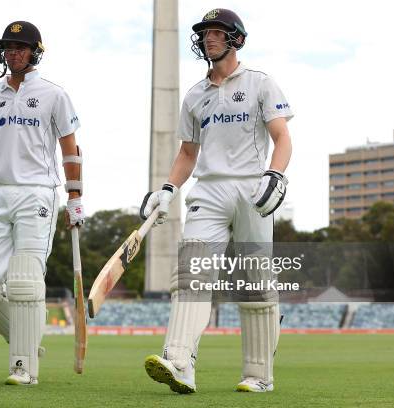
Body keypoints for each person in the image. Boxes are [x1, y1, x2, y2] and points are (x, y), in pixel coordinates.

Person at [140, 8, 293, 393]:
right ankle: (179, 362)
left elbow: (282, 137)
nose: (208, 38)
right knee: (191, 273)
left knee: (255, 284)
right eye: (205, 32)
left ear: (236, 39)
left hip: (251, 191)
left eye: (216, 32)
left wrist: (275, 175)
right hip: (207, 192)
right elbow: (187, 154)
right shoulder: (195, 95)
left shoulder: (260, 83)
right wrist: (167, 190)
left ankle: (259, 376)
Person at [0, 20, 84, 386]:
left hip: (37, 193)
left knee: (25, 282)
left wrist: (75, 197)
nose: (13, 54)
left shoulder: (53, 94)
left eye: (20, 48)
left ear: (34, 52)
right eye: (9, 49)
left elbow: (70, 149)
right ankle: (26, 339)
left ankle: (23, 367)